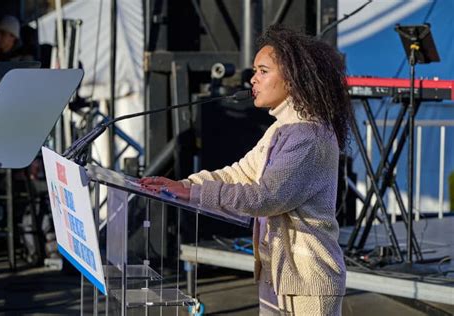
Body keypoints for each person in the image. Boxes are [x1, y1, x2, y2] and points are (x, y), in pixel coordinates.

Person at [139, 24, 351, 315]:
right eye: (255, 71)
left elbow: (267, 197)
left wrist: (195, 193)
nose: (254, 79)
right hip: (279, 277)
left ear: (293, 78)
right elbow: (238, 173)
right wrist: (185, 185)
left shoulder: (309, 136)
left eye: (263, 71)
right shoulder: (282, 129)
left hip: (306, 283)